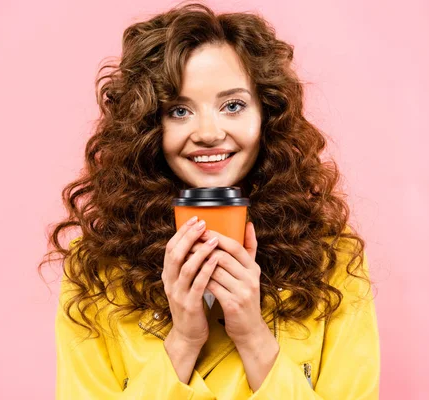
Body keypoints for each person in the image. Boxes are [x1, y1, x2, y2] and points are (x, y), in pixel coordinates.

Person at [42, 2, 380, 399]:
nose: (207, 132)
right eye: (179, 110)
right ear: (148, 124)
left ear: (266, 113)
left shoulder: (331, 257)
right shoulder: (96, 269)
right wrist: (183, 340)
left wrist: (253, 336)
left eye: (232, 105)